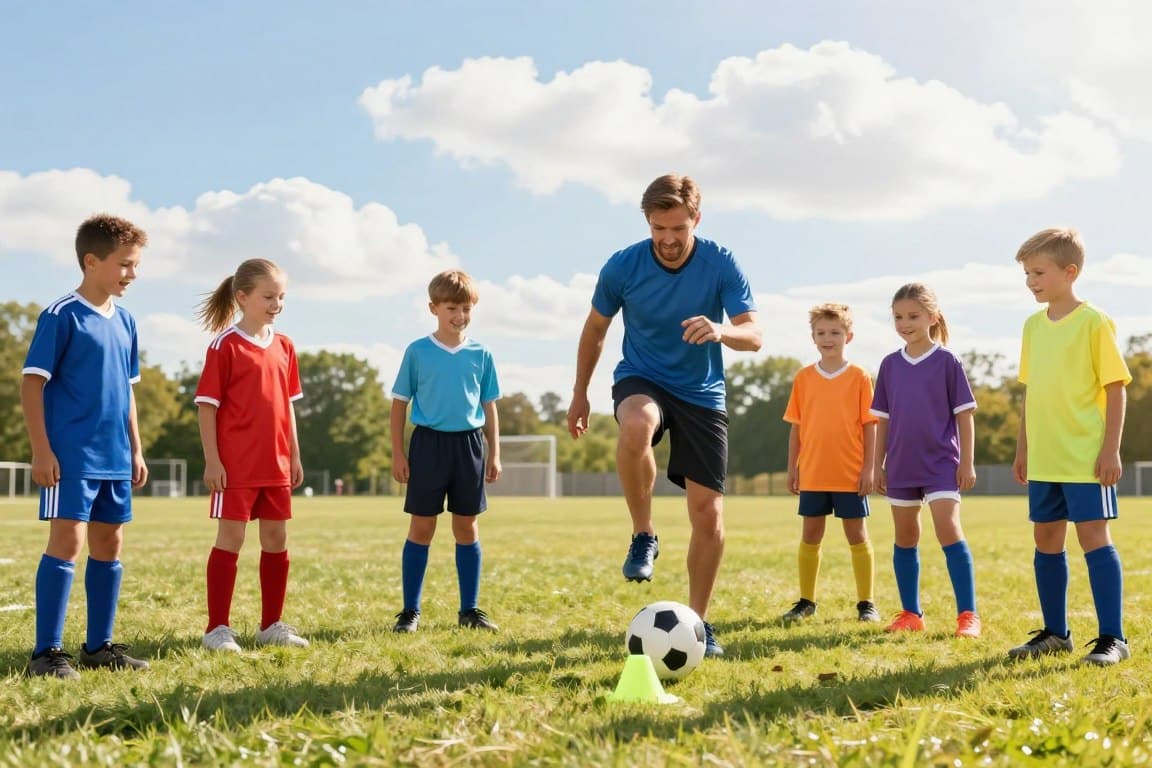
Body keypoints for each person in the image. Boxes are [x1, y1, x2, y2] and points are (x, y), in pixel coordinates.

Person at [566, 173, 761, 657]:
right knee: (636, 424)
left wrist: (720, 330)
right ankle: (643, 534)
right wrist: (579, 394)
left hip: (702, 391)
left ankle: (699, 623)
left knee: (708, 515)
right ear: (647, 223)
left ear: (696, 218)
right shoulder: (623, 266)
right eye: (658, 229)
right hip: (643, 375)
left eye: (678, 228)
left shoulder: (719, 262)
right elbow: (594, 330)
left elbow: (754, 335)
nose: (669, 240)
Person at [21, 214, 151, 678]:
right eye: (125, 265)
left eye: (136, 265)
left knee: (109, 545)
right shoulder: (61, 315)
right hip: (71, 455)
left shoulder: (127, 321)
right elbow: (32, 385)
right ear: (91, 261)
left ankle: (99, 646)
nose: (132, 274)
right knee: (67, 541)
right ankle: (47, 653)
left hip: (115, 456)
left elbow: (127, 389)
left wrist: (135, 449)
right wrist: (42, 450)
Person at [1007, 228, 1132, 665]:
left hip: (1084, 456)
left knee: (1093, 537)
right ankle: (1055, 633)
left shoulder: (1094, 322)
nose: (1030, 281)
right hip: (1044, 457)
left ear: (1069, 271)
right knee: (1046, 539)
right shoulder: (1031, 327)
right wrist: (1023, 449)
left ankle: (1113, 638)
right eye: (1026, 273)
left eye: (1038, 272)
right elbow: (1031, 393)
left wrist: (1110, 449)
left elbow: (1116, 389)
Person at [195, 258, 308, 652]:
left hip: (276, 464)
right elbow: (206, 405)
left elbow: (288, 405)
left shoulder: (285, 346)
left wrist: (294, 454)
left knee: (276, 538)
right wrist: (213, 460)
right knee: (232, 538)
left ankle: (271, 624)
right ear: (242, 297)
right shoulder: (224, 345)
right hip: (235, 466)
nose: (277, 303)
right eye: (268, 296)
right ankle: (217, 628)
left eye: (281, 296)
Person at [390, 270, 502, 633]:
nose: (460, 315)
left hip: (469, 446)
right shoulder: (417, 352)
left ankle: (469, 610)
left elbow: (489, 406)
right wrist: (398, 453)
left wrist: (494, 452)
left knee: (466, 527)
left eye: (466, 308)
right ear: (433, 308)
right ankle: (410, 611)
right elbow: (398, 405)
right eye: (452, 307)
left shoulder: (481, 353)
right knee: (422, 527)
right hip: (428, 445)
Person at [871, 283, 981, 638]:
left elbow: (965, 415)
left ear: (932, 317)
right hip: (901, 465)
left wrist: (966, 462)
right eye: (899, 317)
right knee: (905, 537)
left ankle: (968, 615)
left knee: (948, 528)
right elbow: (882, 420)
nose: (905, 323)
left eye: (913, 316)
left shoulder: (947, 361)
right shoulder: (889, 365)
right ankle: (910, 613)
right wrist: (876, 464)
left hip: (941, 464)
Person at [781, 303, 880, 624]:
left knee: (857, 535)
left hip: (850, 474)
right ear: (813, 337)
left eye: (835, 332)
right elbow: (796, 426)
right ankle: (806, 601)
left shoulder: (859, 377)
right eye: (821, 333)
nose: (828, 338)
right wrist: (792, 466)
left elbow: (870, 425)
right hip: (812, 472)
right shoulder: (803, 378)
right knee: (811, 535)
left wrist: (869, 468)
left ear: (848, 336)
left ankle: (866, 603)